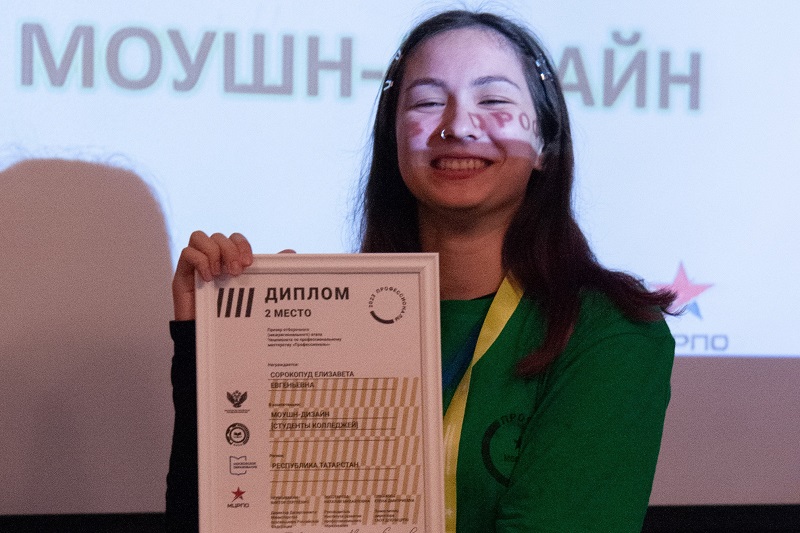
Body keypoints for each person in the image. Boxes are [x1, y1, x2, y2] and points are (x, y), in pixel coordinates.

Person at [167, 10, 676, 532]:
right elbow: (228, 517)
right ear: (393, 141)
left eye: (494, 101)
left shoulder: (608, 331)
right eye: (428, 102)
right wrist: (207, 350)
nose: (457, 126)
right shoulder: (329, 325)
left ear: (545, 143)